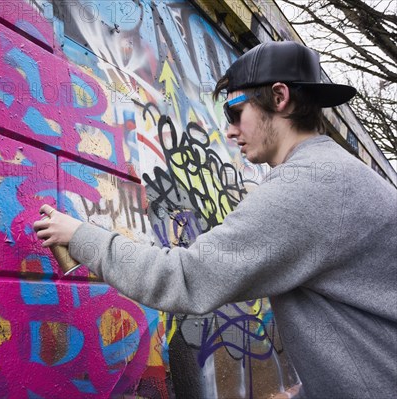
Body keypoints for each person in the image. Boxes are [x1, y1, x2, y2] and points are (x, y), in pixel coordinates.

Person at [33, 41, 397, 398]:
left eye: (235, 112)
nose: (229, 131)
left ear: (280, 97)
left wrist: (81, 236)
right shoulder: (338, 174)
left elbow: (185, 278)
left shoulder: (310, 184)